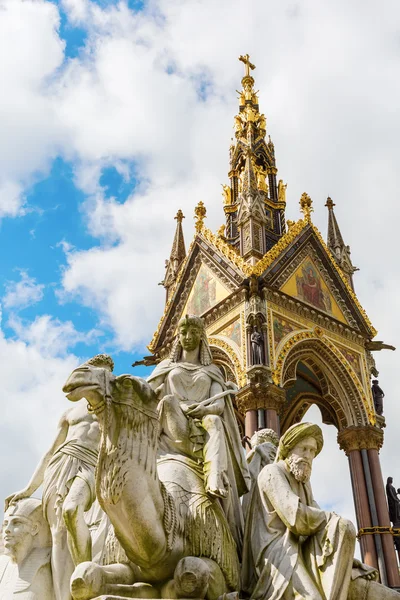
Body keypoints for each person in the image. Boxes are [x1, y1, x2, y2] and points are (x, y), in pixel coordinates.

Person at [4, 354, 111, 600]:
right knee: (58, 535)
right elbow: (49, 452)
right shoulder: (70, 413)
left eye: (108, 375)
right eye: (100, 373)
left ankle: (87, 578)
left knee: (73, 511)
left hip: (91, 466)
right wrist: (29, 489)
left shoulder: (114, 407)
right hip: (60, 466)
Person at [243, 422, 386, 600]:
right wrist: (330, 518)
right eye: (304, 449)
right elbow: (296, 517)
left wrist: (347, 557)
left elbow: (317, 517)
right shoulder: (271, 473)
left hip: (300, 548)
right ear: (289, 449)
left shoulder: (303, 483)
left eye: (312, 451)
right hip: (278, 553)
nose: (308, 456)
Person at [147, 314, 250, 549]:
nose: (187, 337)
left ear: (201, 337)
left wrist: (203, 408)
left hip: (201, 423)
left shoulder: (212, 371)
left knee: (215, 421)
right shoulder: (166, 368)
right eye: (183, 332)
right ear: (178, 337)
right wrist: (182, 406)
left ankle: (214, 476)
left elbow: (219, 405)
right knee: (169, 402)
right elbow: (150, 394)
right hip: (175, 425)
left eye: (193, 332)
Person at [0, 498, 54, 599]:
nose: (7, 530)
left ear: (34, 528)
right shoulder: (2, 563)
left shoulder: (48, 559)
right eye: (5, 524)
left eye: (16, 523)